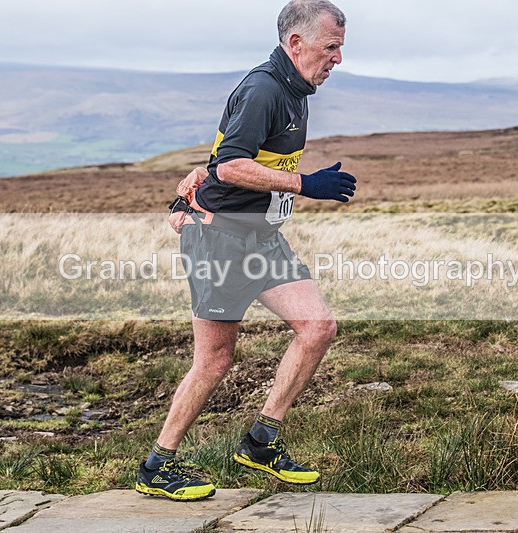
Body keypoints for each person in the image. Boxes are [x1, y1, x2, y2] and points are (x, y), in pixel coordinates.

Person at [136, 0, 355, 501]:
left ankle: (261, 441)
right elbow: (233, 165)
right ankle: (157, 465)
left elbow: (221, 157)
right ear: (296, 43)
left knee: (317, 326)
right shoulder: (264, 88)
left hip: (260, 237)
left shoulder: (295, 88)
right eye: (332, 47)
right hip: (219, 239)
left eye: (340, 48)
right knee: (215, 361)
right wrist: (306, 183)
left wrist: (190, 184)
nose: (338, 59)